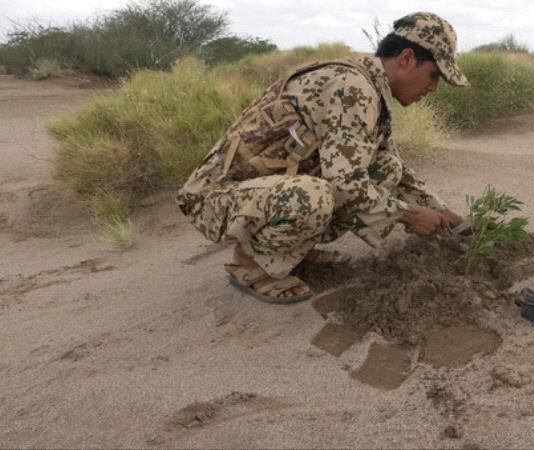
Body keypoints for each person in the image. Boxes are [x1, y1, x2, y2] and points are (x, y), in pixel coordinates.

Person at [176, 12, 469, 304]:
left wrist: (447, 215)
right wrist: (410, 215)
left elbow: (391, 166)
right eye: (433, 75)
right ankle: (249, 263)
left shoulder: (369, 86)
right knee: (315, 196)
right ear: (406, 59)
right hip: (213, 197)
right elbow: (345, 185)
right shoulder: (353, 88)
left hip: (259, 193)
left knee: (385, 169)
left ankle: (291, 250)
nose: (433, 88)